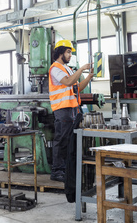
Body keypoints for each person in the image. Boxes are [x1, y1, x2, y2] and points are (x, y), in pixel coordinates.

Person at [49, 40, 94, 182]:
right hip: (62, 109)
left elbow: (77, 88)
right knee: (62, 140)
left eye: (70, 52)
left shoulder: (68, 69)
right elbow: (68, 82)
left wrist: (88, 77)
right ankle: (57, 171)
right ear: (60, 52)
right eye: (68, 52)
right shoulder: (55, 68)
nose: (70, 55)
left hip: (73, 108)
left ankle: (66, 169)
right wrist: (81, 69)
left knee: (70, 140)